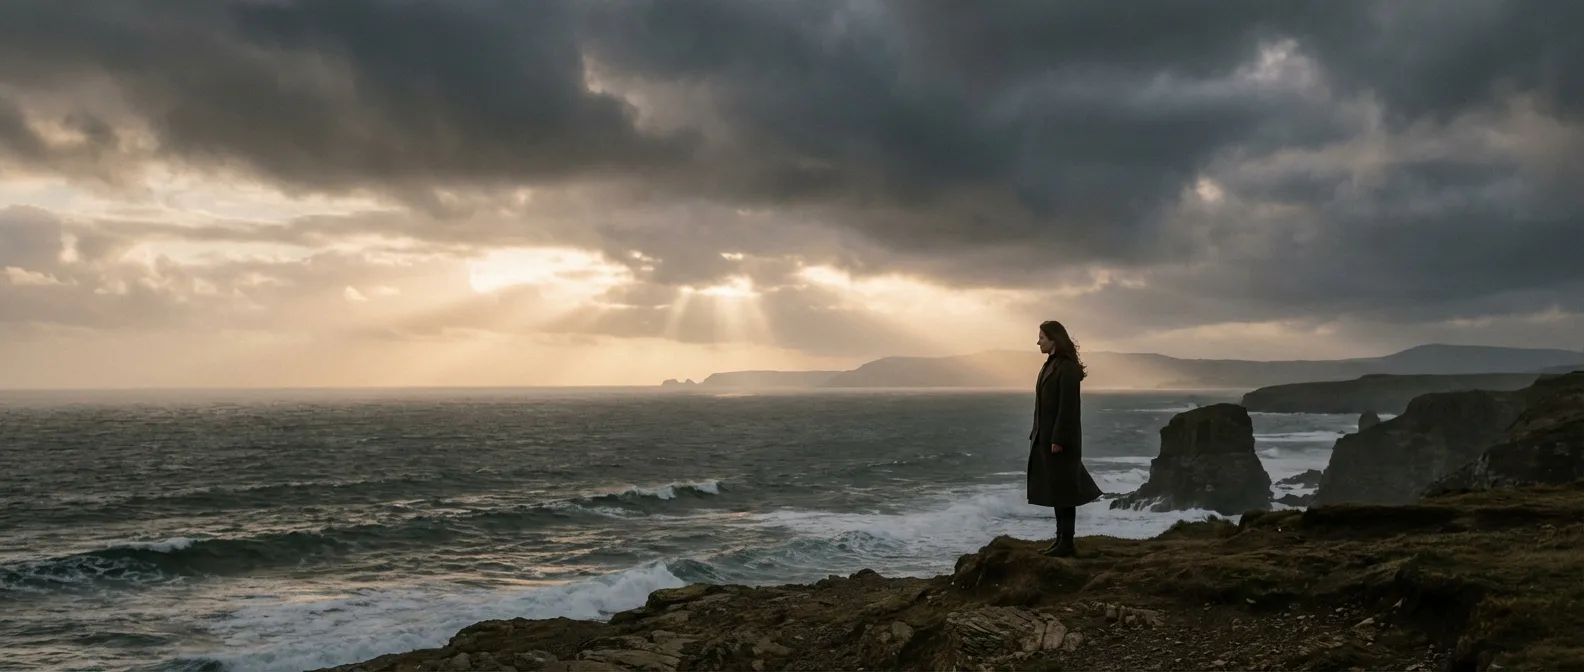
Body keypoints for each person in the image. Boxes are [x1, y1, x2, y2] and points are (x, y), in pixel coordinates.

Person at [1028, 320, 1103, 557]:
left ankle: (1067, 542)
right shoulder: (1051, 365)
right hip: (1046, 437)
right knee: (1056, 490)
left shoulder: (1066, 368)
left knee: (1064, 491)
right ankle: (1060, 539)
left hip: (1060, 442)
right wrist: (1036, 432)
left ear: (1053, 339)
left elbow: (1068, 408)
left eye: (1041, 337)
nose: (1038, 341)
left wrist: (1058, 438)